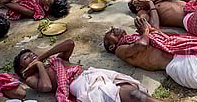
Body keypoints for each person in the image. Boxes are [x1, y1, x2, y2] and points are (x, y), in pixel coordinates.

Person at [14, 39, 162, 102]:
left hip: (91, 73)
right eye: (27, 58)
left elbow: (69, 43)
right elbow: (46, 87)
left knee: (133, 91)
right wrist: (39, 65)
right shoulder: (31, 78)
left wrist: (44, 56)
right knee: (129, 95)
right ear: (23, 69)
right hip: (80, 85)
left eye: (31, 53)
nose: (32, 56)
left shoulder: (55, 61)